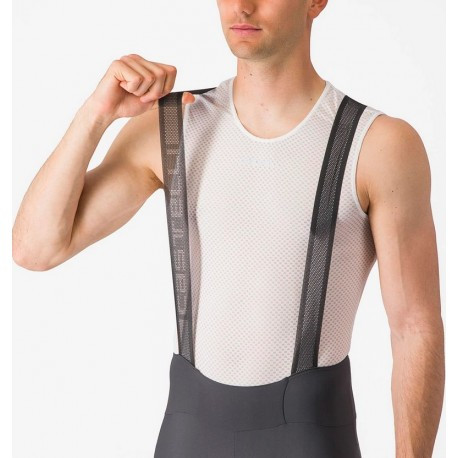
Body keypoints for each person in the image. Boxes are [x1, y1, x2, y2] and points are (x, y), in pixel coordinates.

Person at [12, 0, 444, 456]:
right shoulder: (172, 126)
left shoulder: (377, 144)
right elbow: (35, 249)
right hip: (188, 438)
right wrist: (95, 115)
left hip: (310, 439)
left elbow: (415, 329)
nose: (242, 6)